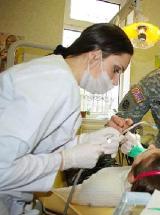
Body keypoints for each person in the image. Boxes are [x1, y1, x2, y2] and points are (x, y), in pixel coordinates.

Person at [0, 23, 133, 215]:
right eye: (116, 70)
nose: (115, 81)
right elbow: (3, 168)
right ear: (95, 55)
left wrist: (91, 140)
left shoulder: (61, 79)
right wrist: (65, 160)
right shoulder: (54, 81)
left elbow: (43, 145)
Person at [52, 147, 160, 207]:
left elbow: (63, 198)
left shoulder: (104, 187)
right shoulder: (145, 182)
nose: (151, 146)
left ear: (133, 177)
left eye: (150, 151)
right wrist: (137, 150)